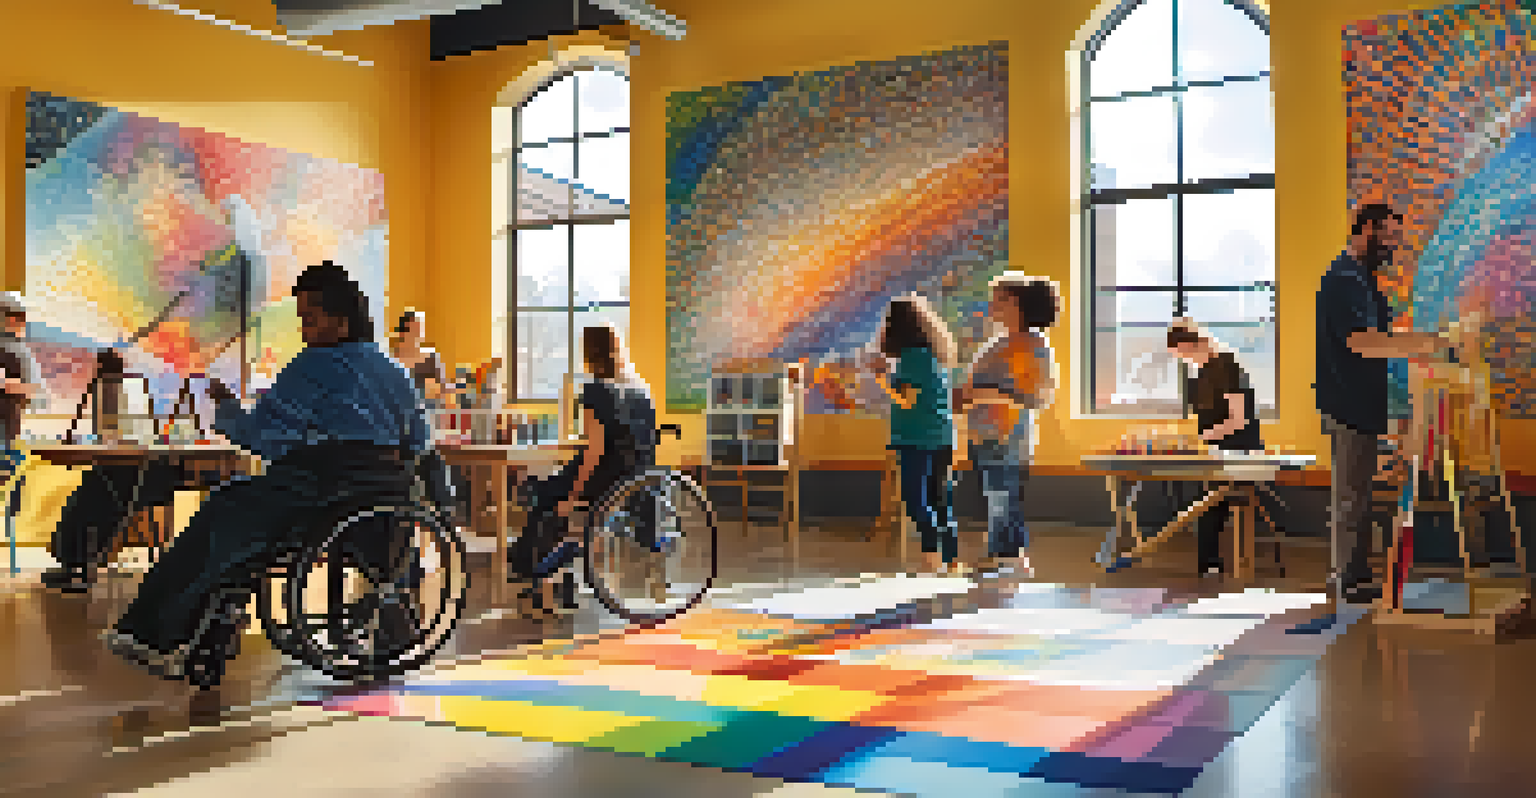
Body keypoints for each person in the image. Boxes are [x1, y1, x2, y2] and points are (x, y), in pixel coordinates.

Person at [104, 261, 430, 688]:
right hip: (382, 496)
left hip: (319, 489)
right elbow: (420, 439)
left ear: (339, 320)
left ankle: (151, 633)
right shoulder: (391, 367)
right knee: (238, 510)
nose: (304, 330)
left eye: (310, 319)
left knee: (221, 510)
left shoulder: (313, 364)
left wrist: (225, 408)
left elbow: (262, 438)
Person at [1316, 203, 1453, 604]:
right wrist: (1423, 344)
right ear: (1363, 231)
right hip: (1348, 403)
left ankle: (1353, 574)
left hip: (1364, 401)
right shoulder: (1343, 279)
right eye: (1387, 236)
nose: (1392, 245)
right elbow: (1361, 341)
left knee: (1359, 495)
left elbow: (1381, 335)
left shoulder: (1364, 279)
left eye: (1396, 237)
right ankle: (1348, 579)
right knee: (1352, 497)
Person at [508, 323, 657, 609]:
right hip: (636, 478)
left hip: (602, 477)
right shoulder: (641, 389)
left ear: (590, 354)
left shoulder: (595, 391)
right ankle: (546, 568)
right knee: (551, 490)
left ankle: (529, 567)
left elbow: (595, 450)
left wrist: (574, 496)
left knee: (541, 492)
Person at [42, 349, 181, 593]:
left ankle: (77, 566)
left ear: (100, 368)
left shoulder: (109, 389)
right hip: (138, 471)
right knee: (88, 499)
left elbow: (111, 435)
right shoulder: (129, 390)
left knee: (86, 503)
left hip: (127, 471)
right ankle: (78, 565)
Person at [954, 273, 1058, 575]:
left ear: (1015, 303)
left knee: (1003, 494)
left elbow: (1036, 394)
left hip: (1008, 433)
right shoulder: (1000, 343)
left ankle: (1006, 557)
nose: (992, 305)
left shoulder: (1032, 344)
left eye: (998, 299)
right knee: (996, 495)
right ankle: (1007, 556)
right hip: (986, 433)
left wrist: (984, 393)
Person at [870, 294, 958, 575]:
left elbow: (907, 400)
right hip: (942, 435)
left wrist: (882, 378)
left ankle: (931, 557)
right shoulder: (934, 357)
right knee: (939, 498)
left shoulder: (910, 358)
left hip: (916, 437)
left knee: (915, 498)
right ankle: (951, 559)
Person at [1167, 321, 1263, 577]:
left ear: (1190, 344)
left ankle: (1210, 563)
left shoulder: (1228, 366)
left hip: (1238, 450)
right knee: (1199, 498)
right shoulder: (1201, 373)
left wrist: (1203, 437)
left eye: (1182, 354)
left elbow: (1238, 419)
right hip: (1214, 450)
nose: (1183, 360)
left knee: (1211, 502)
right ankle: (1208, 562)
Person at [390, 308, 446, 408]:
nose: (419, 333)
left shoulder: (431, 357)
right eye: (415, 329)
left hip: (427, 409)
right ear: (402, 333)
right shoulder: (391, 359)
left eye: (420, 329)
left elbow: (440, 390)